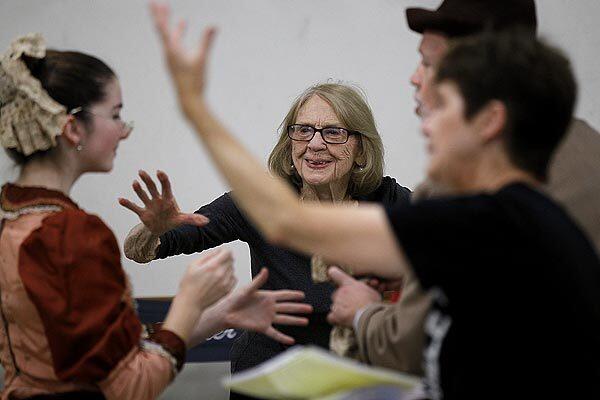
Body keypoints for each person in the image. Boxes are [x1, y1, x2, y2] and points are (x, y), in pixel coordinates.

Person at [150, 3, 600, 398]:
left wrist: (196, 107)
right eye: (302, 131)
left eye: (441, 105)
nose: (424, 122)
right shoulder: (513, 214)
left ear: (490, 122)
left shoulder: (489, 222)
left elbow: (286, 220)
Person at [0, 33, 310, 400]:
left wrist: (221, 313)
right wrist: (191, 301)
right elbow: (131, 384)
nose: (124, 130)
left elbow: (97, 356)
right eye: (115, 115)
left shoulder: (13, 218)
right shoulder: (70, 233)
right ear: (72, 128)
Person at [328, 0, 600, 375]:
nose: (414, 78)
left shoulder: (460, 185)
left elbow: (410, 346)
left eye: (428, 62)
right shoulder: (590, 148)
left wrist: (362, 312)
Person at [119, 81, 412, 379]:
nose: (314, 144)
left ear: (361, 149)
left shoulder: (388, 200)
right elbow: (140, 251)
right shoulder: (261, 202)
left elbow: (451, 249)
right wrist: (151, 228)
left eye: (333, 133)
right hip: (271, 379)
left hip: (360, 380)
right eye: (303, 130)